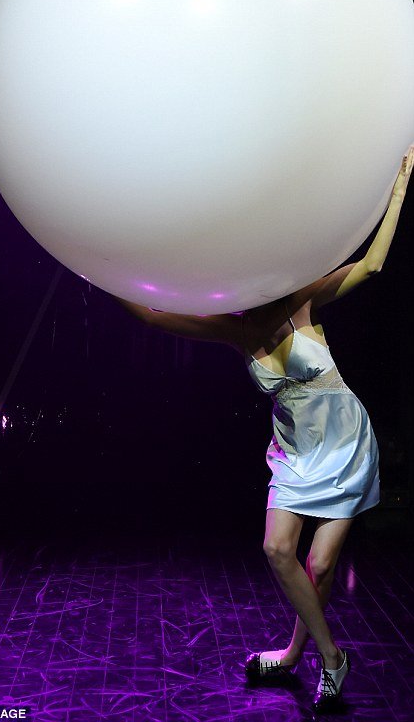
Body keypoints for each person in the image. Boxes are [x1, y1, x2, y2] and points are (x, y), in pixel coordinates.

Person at [112, 145, 413, 712]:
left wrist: (398, 190)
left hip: (346, 442)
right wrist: (96, 264)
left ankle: (298, 654)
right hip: (295, 450)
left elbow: (372, 266)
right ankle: (331, 658)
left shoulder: (304, 301)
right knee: (280, 550)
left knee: (320, 566)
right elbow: (151, 314)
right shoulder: (234, 329)